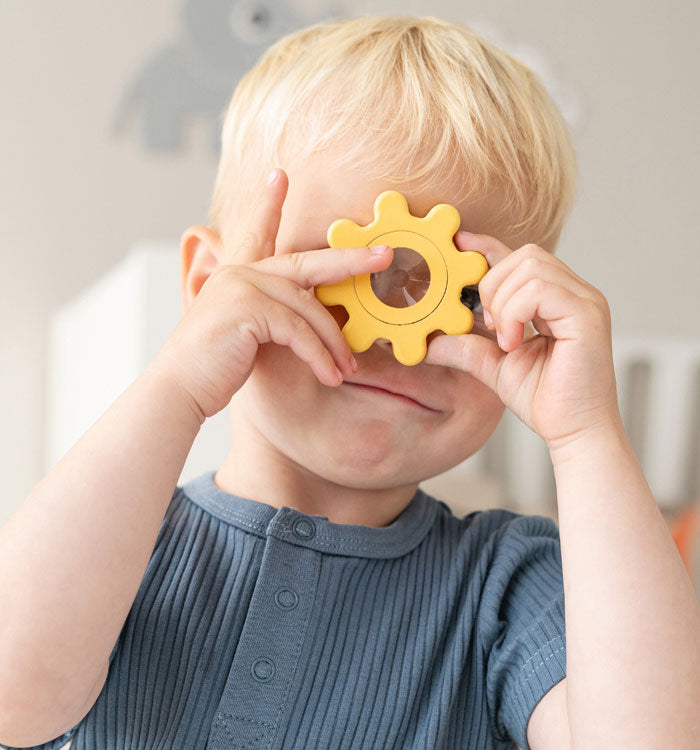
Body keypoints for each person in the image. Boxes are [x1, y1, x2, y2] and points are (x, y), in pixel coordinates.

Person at [1, 14, 699, 750]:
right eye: (347, 275)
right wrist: (177, 381)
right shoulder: (119, 536)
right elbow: (13, 695)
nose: (407, 342)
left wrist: (587, 436)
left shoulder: (512, 587)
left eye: (464, 296)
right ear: (210, 288)